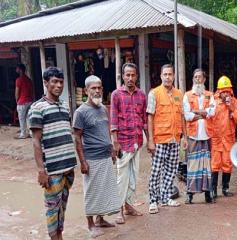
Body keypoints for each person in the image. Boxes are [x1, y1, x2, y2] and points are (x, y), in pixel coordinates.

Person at [28, 67, 77, 240]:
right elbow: (35, 141)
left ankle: (59, 236)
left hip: (68, 168)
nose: (58, 85)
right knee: (52, 209)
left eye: (61, 82)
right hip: (52, 170)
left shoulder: (64, 106)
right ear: (46, 83)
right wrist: (41, 171)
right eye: (54, 82)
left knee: (62, 208)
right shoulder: (37, 108)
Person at [73, 76, 120, 238]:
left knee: (105, 189)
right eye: (93, 88)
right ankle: (90, 224)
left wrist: (112, 149)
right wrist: (82, 162)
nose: (97, 90)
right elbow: (77, 138)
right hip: (91, 158)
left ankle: (100, 219)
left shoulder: (103, 109)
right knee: (91, 191)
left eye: (99, 87)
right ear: (86, 91)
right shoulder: (80, 112)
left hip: (105, 156)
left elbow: (106, 131)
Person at [147, 64, 188, 214]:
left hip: (175, 139)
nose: (168, 77)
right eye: (165, 74)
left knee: (171, 170)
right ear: (161, 76)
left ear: (174, 76)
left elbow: (182, 116)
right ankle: (153, 200)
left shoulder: (179, 94)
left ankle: (165, 198)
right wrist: (150, 140)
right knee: (156, 171)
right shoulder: (154, 93)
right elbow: (150, 117)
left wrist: (184, 137)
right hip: (159, 139)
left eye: (170, 74)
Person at [110, 63, 147, 224]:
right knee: (122, 177)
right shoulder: (116, 94)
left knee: (133, 177)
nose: (130, 78)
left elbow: (144, 120)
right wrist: (115, 142)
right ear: (123, 76)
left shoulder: (141, 95)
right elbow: (113, 120)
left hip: (137, 141)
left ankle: (129, 205)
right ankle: (119, 210)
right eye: (127, 75)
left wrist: (149, 140)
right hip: (123, 143)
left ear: (136, 76)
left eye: (133, 75)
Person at [183, 69, 216, 204]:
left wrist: (196, 112)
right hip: (193, 136)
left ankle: (208, 194)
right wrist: (204, 113)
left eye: (200, 77)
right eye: (195, 77)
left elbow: (212, 112)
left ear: (204, 79)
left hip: (207, 135)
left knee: (207, 166)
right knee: (193, 165)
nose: (198, 79)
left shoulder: (209, 95)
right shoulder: (187, 95)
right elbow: (187, 115)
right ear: (193, 79)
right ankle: (190, 194)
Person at [209, 76, 237, 198]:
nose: (225, 94)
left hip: (228, 139)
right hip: (216, 139)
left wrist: (230, 107)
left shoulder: (235, 102)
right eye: (223, 91)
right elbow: (207, 118)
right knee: (215, 164)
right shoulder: (213, 103)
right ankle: (213, 190)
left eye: (227, 91)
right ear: (219, 92)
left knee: (227, 164)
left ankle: (225, 188)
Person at [15, 63, 34, 139]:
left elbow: (17, 92)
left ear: (20, 70)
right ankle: (31, 133)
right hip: (30, 101)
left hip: (22, 101)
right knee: (28, 118)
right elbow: (31, 91)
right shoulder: (29, 80)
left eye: (17, 68)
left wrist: (17, 101)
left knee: (21, 118)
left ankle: (23, 134)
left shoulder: (18, 80)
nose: (16, 70)